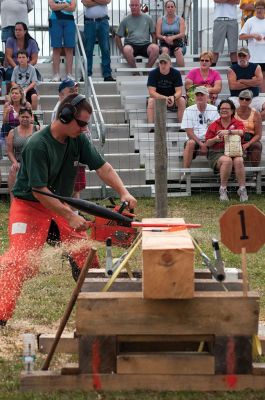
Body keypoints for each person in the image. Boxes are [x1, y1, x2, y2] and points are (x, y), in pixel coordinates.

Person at [0, 93, 137, 326]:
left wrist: (123, 192)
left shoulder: (78, 140)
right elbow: (39, 190)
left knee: (86, 254)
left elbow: (102, 167)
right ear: (64, 116)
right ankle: (0, 315)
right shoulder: (37, 145)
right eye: (81, 123)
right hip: (29, 205)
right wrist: (70, 215)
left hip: (60, 205)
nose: (84, 129)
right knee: (20, 261)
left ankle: (97, 309)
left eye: (87, 124)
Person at [205, 99, 247, 202]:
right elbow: (207, 143)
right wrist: (215, 139)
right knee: (227, 160)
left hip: (235, 150)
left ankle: (242, 189)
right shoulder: (214, 125)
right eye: (222, 108)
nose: (224, 110)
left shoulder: (237, 123)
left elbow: (242, 132)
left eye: (226, 108)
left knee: (239, 160)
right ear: (219, 111)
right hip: (217, 152)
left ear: (232, 111)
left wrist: (228, 132)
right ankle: (223, 189)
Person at [51, 78, 85, 199]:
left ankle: (75, 214)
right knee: (68, 190)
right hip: (67, 155)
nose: (75, 92)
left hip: (75, 153)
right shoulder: (59, 110)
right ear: (61, 94)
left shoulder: (74, 108)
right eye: (71, 90)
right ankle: (69, 215)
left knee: (76, 188)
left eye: (76, 89)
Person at [181, 86, 219, 170]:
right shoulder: (188, 110)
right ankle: (185, 173)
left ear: (207, 97)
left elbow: (216, 130)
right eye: (197, 95)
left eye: (202, 95)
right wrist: (202, 144)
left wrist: (207, 143)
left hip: (211, 140)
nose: (199, 97)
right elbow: (189, 132)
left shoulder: (215, 110)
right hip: (195, 140)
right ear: (194, 97)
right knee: (190, 143)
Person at [115, 0, 160, 71]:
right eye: (132, 5)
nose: (134, 7)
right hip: (131, 45)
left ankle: (147, 70)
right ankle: (135, 72)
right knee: (126, 49)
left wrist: (154, 44)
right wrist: (122, 50)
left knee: (155, 48)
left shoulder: (148, 18)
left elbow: (153, 34)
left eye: (136, 5)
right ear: (129, 6)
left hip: (145, 45)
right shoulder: (125, 20)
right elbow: (117, 37)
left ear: (140, 5)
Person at [6, 107, 38, 201]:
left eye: (27, 117)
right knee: (13, 170)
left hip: (34, 162)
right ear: (18, 117)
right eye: (22, 116)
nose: (24, 119)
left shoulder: (37, 129)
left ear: (31, 117)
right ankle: (13, 201)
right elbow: (9, 151)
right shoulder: (12, 132)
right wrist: (15, 162)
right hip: (20, 162)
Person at [147, 53, 185, 131]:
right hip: (158, 98)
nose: (163, 65)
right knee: (150, 101)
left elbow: (179, 91)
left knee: (182, 100)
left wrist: (173, 97)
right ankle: (151, 128)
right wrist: (164, 98)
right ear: (159, 64)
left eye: (165, 63)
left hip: (172, 98)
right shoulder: (153, 73)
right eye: (161, 63)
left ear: (170, 63)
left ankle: (182, 127)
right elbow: (151, 92)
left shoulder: (176, 73)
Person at [81, 0, 115, 81]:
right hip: (89, 22)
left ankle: (107, 75)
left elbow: (107, 1)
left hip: (103, 21)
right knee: (88, 49)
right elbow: (85, 3)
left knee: (105, 49)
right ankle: (86, 74)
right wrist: (101, 2)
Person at [227, 47, 265, 119]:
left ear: (249, 57)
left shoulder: (256, 67)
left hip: (254, 98)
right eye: (240, 56)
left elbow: (259, 82)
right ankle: (240, 122)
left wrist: (241, 80)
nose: (242, 58)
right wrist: (253, 81)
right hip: (237, 98)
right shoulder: (231, 69)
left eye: (244, 56)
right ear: (237, 57)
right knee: (227, 107)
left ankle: (254, 119)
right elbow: (233, 86)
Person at [239, 0, 265, 91]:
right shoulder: (250, 21)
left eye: (261, 8)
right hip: (254, 57)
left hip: (264, 56)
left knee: (263, 79)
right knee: (255, 79)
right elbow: (241, 36)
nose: (259, 10)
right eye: (257, 8)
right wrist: (253, 35)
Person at [48, 0, 76, 82]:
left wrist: (59, 5)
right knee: (56, 48)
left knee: (69, 48)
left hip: (69, 21)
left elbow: (73, 8)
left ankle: (69, 74)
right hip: (55, 20)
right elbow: (52, 7)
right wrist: (66, 4)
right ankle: (56, 74)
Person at [235, 89, 262, 166]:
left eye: (247, 99)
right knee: (234, 146)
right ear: (238, 99)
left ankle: (255, 173)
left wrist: (249, 143)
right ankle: (235, 173)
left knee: (257, 146)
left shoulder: (256, 114)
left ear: (250, 101)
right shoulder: (233, 112)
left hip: (251, 137)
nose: (244, 100)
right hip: (236, 137)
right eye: (241, 98)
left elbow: (258, 135)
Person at [156, 0, 186, 67]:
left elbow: (182, 34)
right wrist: (165, 38)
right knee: (165, 51)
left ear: (175, 8)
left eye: (172, 6)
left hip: (178, 43)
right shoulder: (160, 20)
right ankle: (164, 72)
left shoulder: (180, 19)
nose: (170, 8)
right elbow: (157, 35)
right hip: (164, 43)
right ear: (165, 8)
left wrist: (172, 37)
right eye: (168, 7)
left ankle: (182, 74)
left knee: (178, 52)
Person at [212, 0, 239, 66]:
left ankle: (235, 71)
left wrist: (223, 1)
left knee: (233, 49)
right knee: (216, 49)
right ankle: (211, 71)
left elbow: (237, 1)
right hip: (219, 20)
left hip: (232, 19)